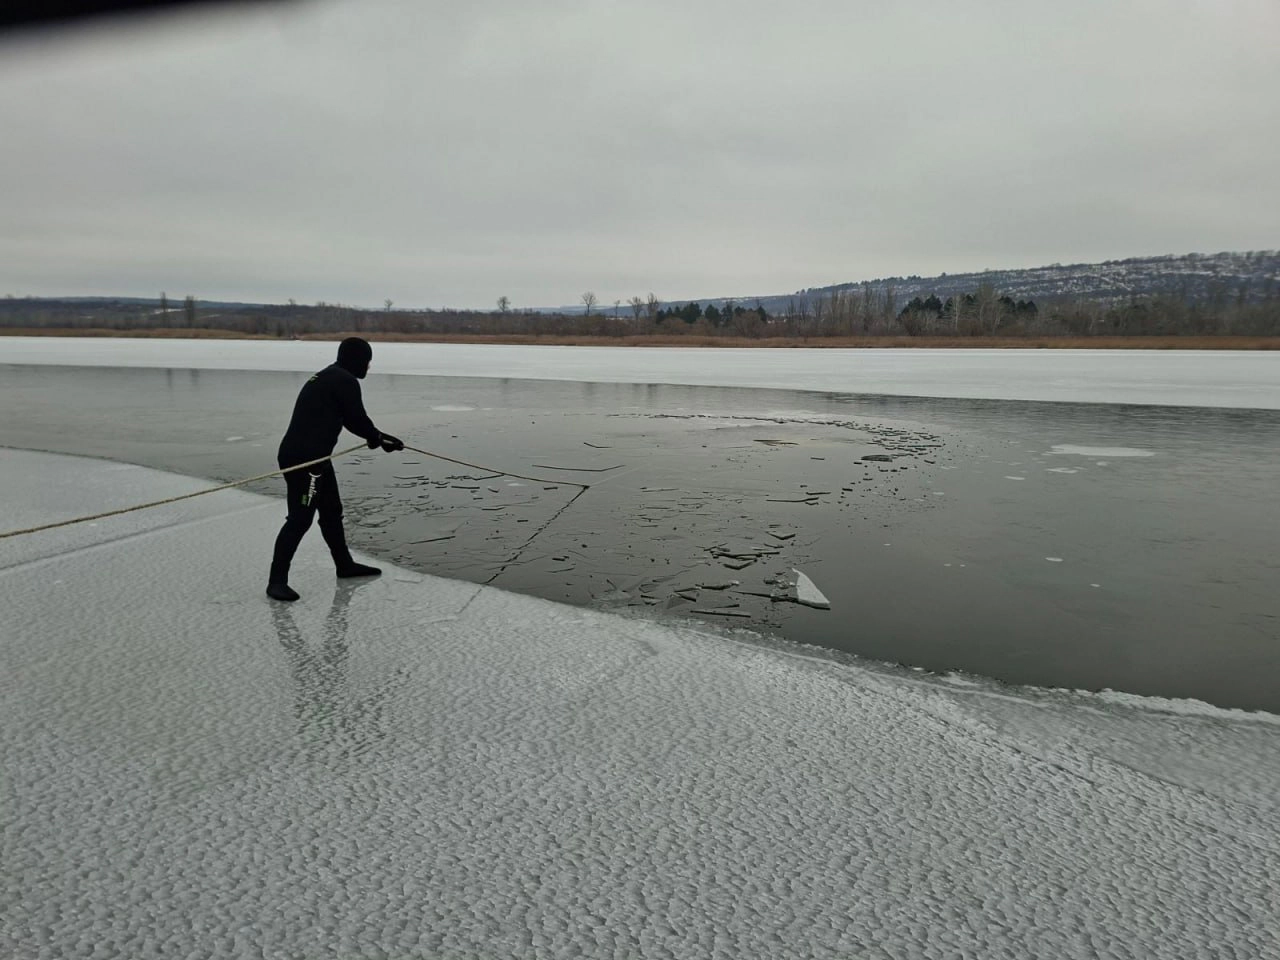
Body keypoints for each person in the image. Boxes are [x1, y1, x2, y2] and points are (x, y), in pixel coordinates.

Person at [266, 337, 403, 602]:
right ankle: (276, 581)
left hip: (315, 458)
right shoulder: (344, 380)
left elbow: (352, 420)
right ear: (357, 360)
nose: (369, 366)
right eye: (367, 361)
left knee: (331, 512)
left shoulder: (332, 376)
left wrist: (378, 437)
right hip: (305, 462)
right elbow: (357, 419)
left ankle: (344, 565)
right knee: (300, 518)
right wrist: (376, 438)